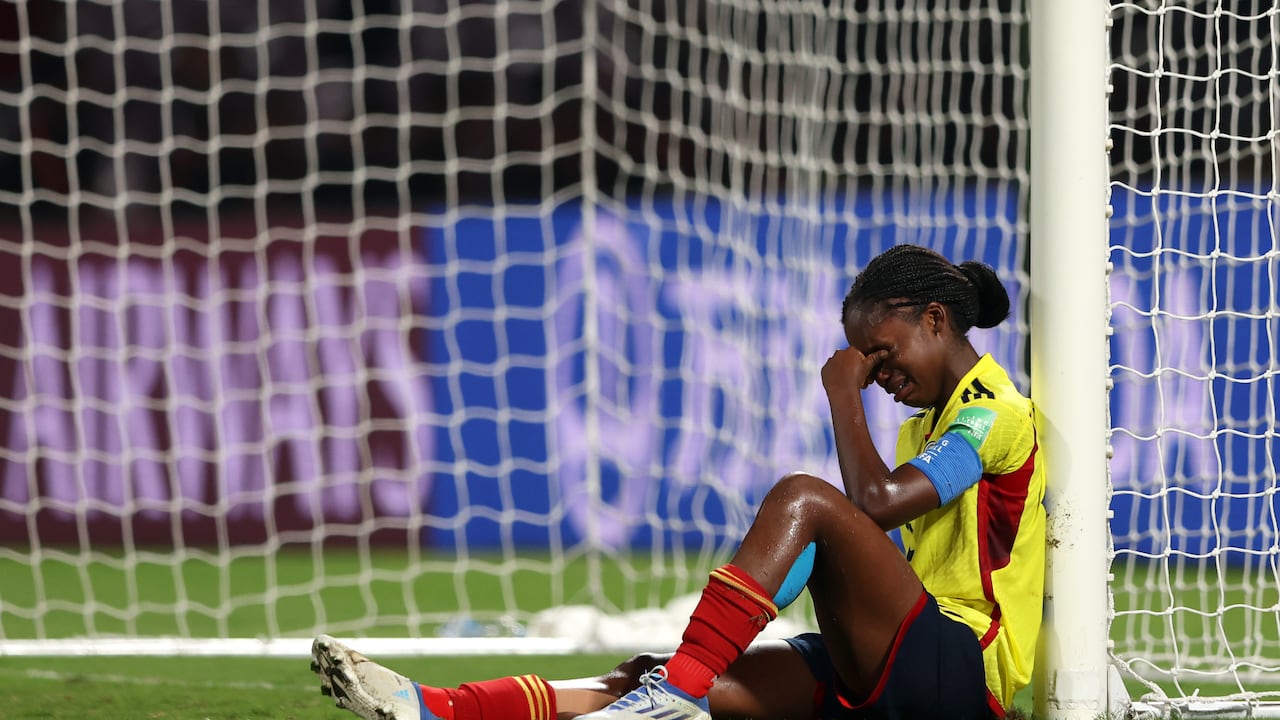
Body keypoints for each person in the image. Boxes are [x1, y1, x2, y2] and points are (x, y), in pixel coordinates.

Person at [311, 244, 1046, 720]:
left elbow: (874, 507)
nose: (877, 376)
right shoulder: (932, 423)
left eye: (881, 356)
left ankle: (678, 694)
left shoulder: (994, 411)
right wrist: (726, 631)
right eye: (865, 363)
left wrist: (839, 391)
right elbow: (847, 551)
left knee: (802, 499)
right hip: (894, 665)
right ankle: (436, 709)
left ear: (937, 319)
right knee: (651, 675)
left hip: (963, 678)